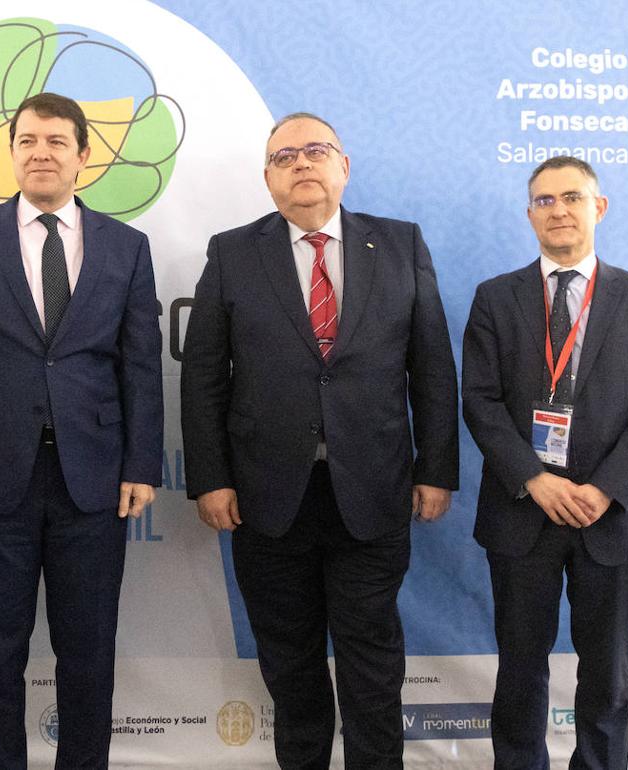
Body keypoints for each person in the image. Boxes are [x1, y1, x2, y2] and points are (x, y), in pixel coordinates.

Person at [180, 112, 458, 768]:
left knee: (372, 663)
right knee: (290, 663)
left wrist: (436, 468)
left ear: (344, 167)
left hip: (375, 490)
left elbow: (432, 366)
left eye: (316, 151)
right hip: (268, 499)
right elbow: (203, 379)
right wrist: (211, 478)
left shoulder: (399, 245)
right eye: (284, 157)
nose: (302, 164)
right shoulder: (233, 253)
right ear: (269, 180)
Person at [0, 92, 163, 769]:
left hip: (97, 482)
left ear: (84, 155)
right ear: (13, 152)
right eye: (27, 140)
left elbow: (141, 366)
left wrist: (142, 463)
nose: (41, 152)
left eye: (56, 141)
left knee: (89, 652)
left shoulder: (127, 247)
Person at [462, 156, 628, 769]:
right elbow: (478, 402)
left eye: (571, 197)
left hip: (614, 518)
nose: (557, 210)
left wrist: (606, 489)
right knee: (520, 671)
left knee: (609, 679)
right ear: (530, 213)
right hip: (521, 512)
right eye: (543, 200)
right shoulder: (494, 298)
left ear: (598, 207)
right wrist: (534, 480)